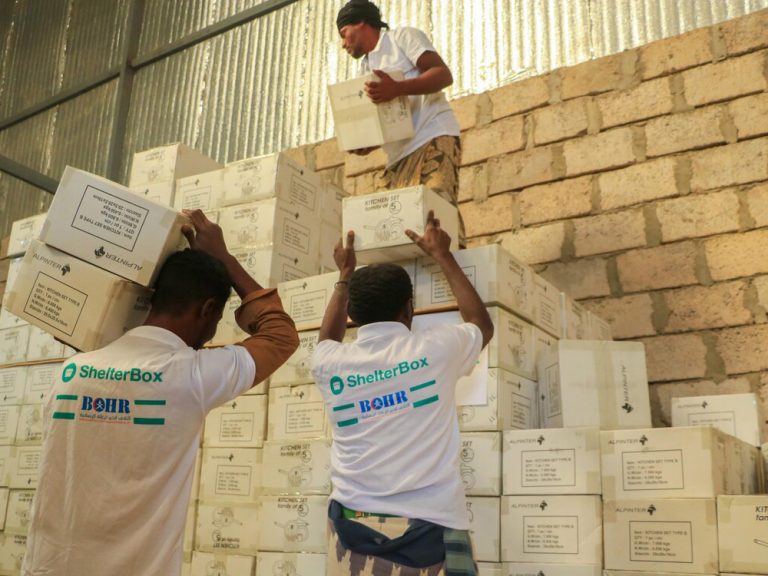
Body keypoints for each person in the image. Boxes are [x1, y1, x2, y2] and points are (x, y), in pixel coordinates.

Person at [22, 210, 299, 576]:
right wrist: (226, 259)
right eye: (215, 321)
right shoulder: (188, 377)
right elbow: (280, 335)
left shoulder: (71, 372)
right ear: (208, 310)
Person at [311, 211, 494, 576]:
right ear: (409, 309)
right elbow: (480, 325)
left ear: (352, 315)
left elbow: (325, 339)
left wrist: (344, 275)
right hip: (430, 527)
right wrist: (442, 254)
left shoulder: (329, 363)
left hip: (350, 526)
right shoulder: (435, 350)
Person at [336, 0, 465, 244]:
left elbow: (443, 74)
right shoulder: (365, 69)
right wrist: (368, 143)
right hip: (398, 156)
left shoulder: (401, 38)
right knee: (400, 229)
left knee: (435, 212)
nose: (343, 44)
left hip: (431, 136)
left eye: (344, 34)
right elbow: (386, 119)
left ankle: (458, 273)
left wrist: (398, 88)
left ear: (361, 22)